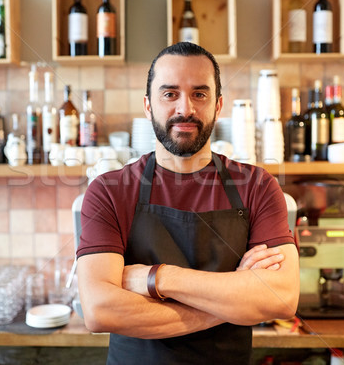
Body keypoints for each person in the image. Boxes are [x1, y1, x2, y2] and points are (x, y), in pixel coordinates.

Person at [77, 42, 299, 365]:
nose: (185, 108)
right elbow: (99, 310)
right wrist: (234, 300)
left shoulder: (258, 187)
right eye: (169, 94)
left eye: (200, 94)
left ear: (218, 105)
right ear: (148, 106)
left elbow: (282, 298)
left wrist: (157, 279)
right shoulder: (109, 192)